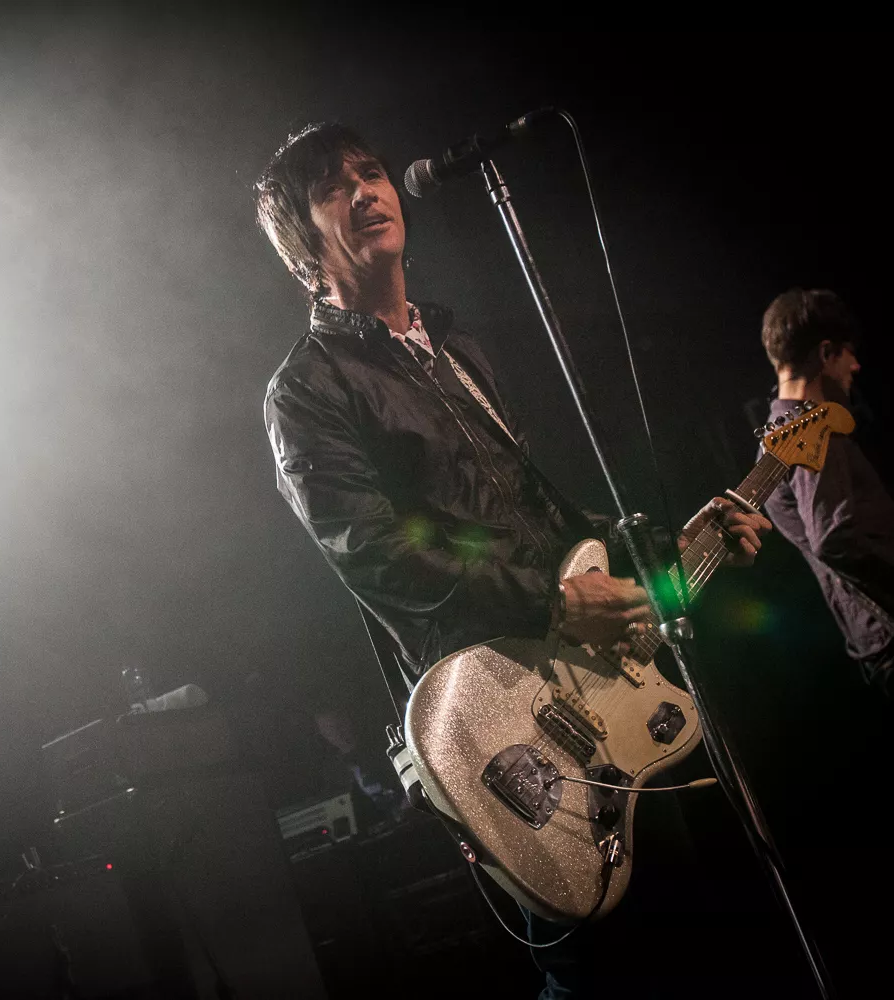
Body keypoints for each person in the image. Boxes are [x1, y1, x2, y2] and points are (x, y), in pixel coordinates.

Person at [254, 122, 771, 998]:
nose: (367, 191)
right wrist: (552, 604)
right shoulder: (307, 388)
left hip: (590, 685)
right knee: (595, 970)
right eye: (334, 187)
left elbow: (544, 518)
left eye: (372, 172)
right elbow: (374, 557)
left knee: (700, 938)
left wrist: (677, 538)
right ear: (302, 243)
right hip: (498, 720)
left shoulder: (458, 351)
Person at [760, 288, 894, 695]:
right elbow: (833, 537)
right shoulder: (812, 428)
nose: (856, 364)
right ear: (824, 353)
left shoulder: (775, 436)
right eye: (848, 352)